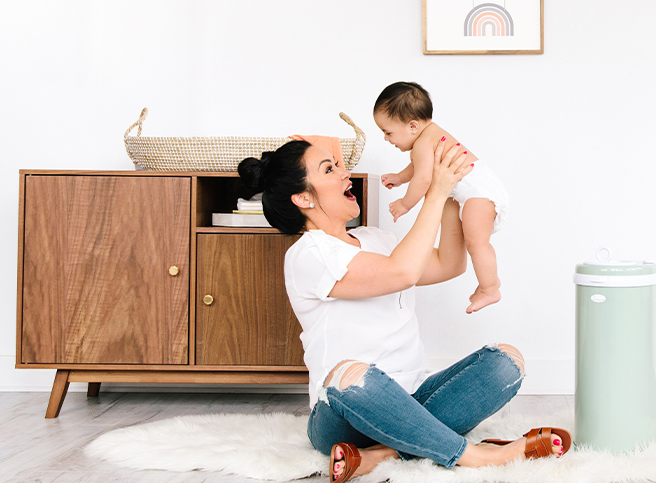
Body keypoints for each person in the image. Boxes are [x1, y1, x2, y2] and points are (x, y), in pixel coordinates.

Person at [237, 137, 570, 482]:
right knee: (353, 375)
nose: (344, 174)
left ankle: (385, 453)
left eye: (338, 165)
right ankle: (475, 456)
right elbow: (403, 272)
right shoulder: (308, 255)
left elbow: (448, 264)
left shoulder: (376, 239)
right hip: (344, 411)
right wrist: (435, 191)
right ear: (304, 198)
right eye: (329, 169)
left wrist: (452, 192)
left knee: (506, 361)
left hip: (413, 397)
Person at [374, 82, 510, 314]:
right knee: (477, 242)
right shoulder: (428, 137)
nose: (387, 139)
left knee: (476, 242)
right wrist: (399, 177)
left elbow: (424, 179)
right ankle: (490, 282)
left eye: (388, 132)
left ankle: (489, 288)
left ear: (412, 126)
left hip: (479, 193)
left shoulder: (424, 143)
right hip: (481, 189)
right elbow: (418, 167)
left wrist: (405, 204)